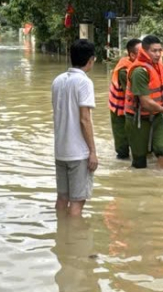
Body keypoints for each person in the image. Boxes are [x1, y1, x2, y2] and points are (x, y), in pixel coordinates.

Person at [51, 39, 98, 217]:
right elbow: (85, 119)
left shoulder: (58, 81)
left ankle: (61, 234)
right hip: (78, 153)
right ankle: (74, 240)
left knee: (62, 198)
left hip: (60, 150)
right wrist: (92, 152)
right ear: (91, 60)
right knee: (78, 201)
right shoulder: (84, 82)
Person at [124, 35, 163, 169]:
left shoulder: (158, 66)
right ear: (144, 51)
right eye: (154, 51)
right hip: (138, 119)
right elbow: (146, 103)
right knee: (139, 161)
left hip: (157, 115)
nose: (158, 54)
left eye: (159, 50)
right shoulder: (139, 71)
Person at [108, 38, 141, 159]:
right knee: (122, 140)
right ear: (132, 55)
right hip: (119, 107)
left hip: (130, 105)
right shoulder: (124, 70)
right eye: (141, 52)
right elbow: (133, 92)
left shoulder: (138, 65)